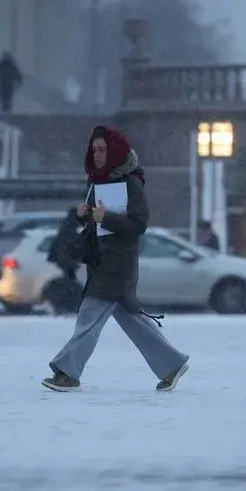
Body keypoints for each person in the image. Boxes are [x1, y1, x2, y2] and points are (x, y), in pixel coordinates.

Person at [41, 126, 190, 392]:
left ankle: (67, 372)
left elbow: (138, 223)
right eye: (94, 149)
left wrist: (104, 217)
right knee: (132, 319)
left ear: (114, 151)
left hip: (119, 262)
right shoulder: (96, 182)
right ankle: (172, 365)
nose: (97, 154)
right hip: (101, 259)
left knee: (90, 314)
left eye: (102, 149)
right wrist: (84, 214)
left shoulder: (130, 182)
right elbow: (98, 223)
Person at [45, 207, 83, 313]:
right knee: (69, 284)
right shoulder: (70, 229)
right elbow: (65, 246)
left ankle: (67, 304)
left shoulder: (67, 226)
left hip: (64, 261)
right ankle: (69, 304)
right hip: (67, 261)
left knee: (68, 283)